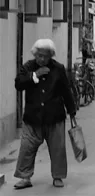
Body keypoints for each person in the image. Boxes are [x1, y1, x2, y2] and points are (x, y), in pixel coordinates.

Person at [13, 39, 76, 190]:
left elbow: (66, 90)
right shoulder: (28, 67)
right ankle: (25, 177)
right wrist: (34, 75)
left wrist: (72, 110)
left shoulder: (58, 68)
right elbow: (18, 84)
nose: (41, 59)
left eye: (45, 56)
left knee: (57, 148)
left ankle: (58, 176)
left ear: (51, 56)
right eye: (39, 55)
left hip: (54, 116)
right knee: (27, 147)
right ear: (35, 54)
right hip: (33, 117)